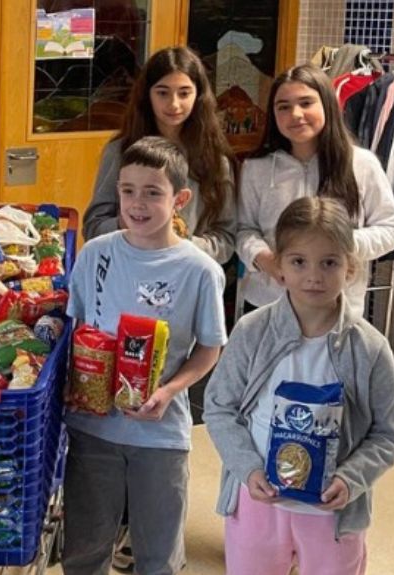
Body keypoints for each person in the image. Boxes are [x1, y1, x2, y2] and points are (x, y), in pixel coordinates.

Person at [204, 197, 394, 574]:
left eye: (329, 263)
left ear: (350, 267)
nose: (313, 276)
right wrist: (248, 469)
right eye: (299, 262)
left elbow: (392, 432)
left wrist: (351, 479)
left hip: (332, 512)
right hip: (258, 502)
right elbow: (219, 407)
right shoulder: (253, 332)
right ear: (279, 265)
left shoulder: (369, 347)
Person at [62, 136, 227, 575]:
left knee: (157, 554)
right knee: (85, 548)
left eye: (153, 192)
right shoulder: (96, 254)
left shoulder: (200, 271)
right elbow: (74, 330)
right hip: (93, 427)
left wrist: (171, 390)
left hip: (160, 436)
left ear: (180, 199)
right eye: (127, 190)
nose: (137, 203)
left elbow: (210, 347)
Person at [237, 64, 394, 318]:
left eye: (306, 103)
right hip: (268, 305)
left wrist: (342, 245)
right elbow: (243, 229)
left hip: (339, 308)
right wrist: (265, 259)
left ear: (327, 105)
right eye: (283, 106)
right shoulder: (256, 168)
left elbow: (393, 228)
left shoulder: (361, 164)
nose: (295, 114)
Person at [83, 46, 237, 264]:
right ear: (147, 95)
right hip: (126, 272)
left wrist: (183, 245)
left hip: (187, 277)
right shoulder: (120, 151)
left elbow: (226, 237)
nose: (173, 104)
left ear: (199, 95)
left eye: (184, 93)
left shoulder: (215, 159)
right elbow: (93, 227)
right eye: (163, 92)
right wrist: (130, 222)